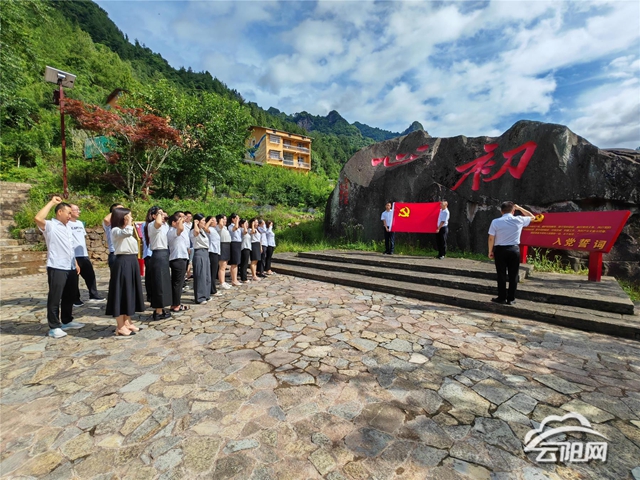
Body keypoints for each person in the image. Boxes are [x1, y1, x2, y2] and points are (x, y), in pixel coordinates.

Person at [35, 196, 84, 338]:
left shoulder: (67, 227)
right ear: (60, 212)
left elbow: (69, 247)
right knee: (55, 297)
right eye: (68, 213)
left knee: (70, 295)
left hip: (70, 266)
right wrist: (52, 202)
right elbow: (38, 218)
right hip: (57, 266)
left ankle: (67, 320)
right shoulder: (51, 225)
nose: (70, 216)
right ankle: (54, 326)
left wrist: (75, 263)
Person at [105, 207, 144, 336]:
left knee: (129, 291)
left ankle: (128, 321)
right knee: (121, 292)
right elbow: (126, 233)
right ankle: (120, 326)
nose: (131, 218)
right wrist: (128, 223)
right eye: (129, 216)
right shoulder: (116, 230)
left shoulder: (126, 230)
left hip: (131, 261)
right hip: (123, 262)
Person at [488, 202, 534, 305]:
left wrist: (490, 251)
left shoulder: (495, 222)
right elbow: (532, 217)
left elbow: (491, 238)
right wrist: (520, 208)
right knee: (513, 275)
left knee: (501, 274)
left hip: (500, 250)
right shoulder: (519, 220)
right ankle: (511, 298)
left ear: (501, 211)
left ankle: (501, 297)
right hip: (514, 249)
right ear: (513, 211)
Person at [68, 204, 105, 305]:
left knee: (90, 275)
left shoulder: (80, 223)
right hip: (73, 255)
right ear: (70, 211)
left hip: (83, 254)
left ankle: (94, 295)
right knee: (74, 278)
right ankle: (75, 299)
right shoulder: (66, 224)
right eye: (76, 210)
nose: (79, 212)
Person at [144, 206, 172, 320]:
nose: (163, 215)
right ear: (154, 216)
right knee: (159, 283)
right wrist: (159, 214)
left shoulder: (165, 225)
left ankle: (162, 307)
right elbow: (158, 223)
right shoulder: (152, 225)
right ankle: (158, 311)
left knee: (164, 283)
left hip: (165, 253)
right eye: (159, 213)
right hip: (158, 253)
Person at [167, 212, 190, 312]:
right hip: (177, 258)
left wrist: (182, 219)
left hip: (182, 257)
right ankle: (176, 305)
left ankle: (175, 303)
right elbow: (180, 228)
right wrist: (181, 220)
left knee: (178, 283)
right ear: (173, 223)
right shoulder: (172, 231)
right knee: (177, 283)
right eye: (179, 220)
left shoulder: (177, 230)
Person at [190, 213, 212, 304]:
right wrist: (195, 223)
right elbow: (196, 232)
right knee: (200, 276)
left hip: (205, 252)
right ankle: (200, 297)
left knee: (206, 275)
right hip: (199, 252)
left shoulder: (202, 231)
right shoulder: (193, 231)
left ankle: (206, 295)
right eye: (203, 220)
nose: (204, 222)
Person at [103, 203, 123, 269]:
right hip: (115, 253)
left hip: (124, 252)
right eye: (120, 209)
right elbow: (106, 220)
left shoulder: (123, 222)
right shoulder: (109, 223)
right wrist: (115, 212)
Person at [206, 215, 222, 297]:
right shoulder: (209, 229)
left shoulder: (214, 229)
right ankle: (212, 290)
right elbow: (205, 228)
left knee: (214, 271)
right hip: (212, 252)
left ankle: (212, 288)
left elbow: (221, 225)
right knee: (212, 272)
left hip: (216, 252)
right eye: (214, 221)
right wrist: (209, 221)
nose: (216, 222)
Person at [216, 214, 232, 289]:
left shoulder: (225, 227)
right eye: (223, 219)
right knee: (222, 265)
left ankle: (223, 281)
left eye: (225, 219)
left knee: (225, 265)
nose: (225, 221)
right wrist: (221, 220)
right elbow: (221, 225)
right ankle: (221, 282)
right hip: (222, 245)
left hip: (227, 245)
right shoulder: (218, 227)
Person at [228, 213, 242, 286]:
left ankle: (235, 279)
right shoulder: (230, 226)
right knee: (234, 263)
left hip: (238, 243)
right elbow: (234, 228)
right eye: (236, 218)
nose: (238, 220)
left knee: (236, 263)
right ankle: (234, 280)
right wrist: (236, 222)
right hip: (234, 244)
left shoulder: (238, 227)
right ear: (233, 219)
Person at [240, 219, 251, 283]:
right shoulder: (242, 229)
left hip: (247, 247)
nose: (247, 225)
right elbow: (245, 232)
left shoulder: (245, 229)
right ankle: (244, 278)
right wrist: (244, 225)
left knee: (245, 263)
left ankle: (243, 276)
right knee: (244, 264)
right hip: (244, 248)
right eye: (245, 223)